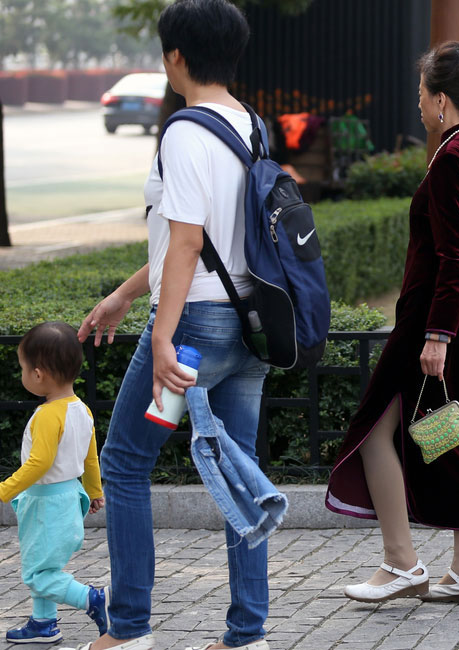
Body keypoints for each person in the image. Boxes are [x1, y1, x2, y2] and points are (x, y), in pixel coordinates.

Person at [75, 2, 270, 649]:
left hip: (194, 335)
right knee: (239, 472)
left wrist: (161, 334)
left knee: (126, 464)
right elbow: (196, 241)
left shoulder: (185, 131)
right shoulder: (252, 126)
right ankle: (249, 633)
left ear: (175, 57)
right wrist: (126, 295)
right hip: (251, 331)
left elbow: (187, 243)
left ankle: (129, 629)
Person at [325, 41, 459, 604]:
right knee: (446, 434)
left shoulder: (453, 158)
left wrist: (436, 335)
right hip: (457, 320)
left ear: (442, 100)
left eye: (422, 94)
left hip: (434, 325)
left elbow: (456, 257)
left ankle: (405, 563)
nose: (419, 104)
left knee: (380, 432)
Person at [0, 322, 107, 644]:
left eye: (22, 368)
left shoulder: (49, 414)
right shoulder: (81, 409)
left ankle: (95, 600)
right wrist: (94, 491)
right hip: (68, 497)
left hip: (46, 501)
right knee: (43, 564)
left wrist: (5, 489)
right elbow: (90, 458)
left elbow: (39, 463)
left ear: (38, 374)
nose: (22, 374)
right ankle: (43, 623)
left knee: (38, 574)